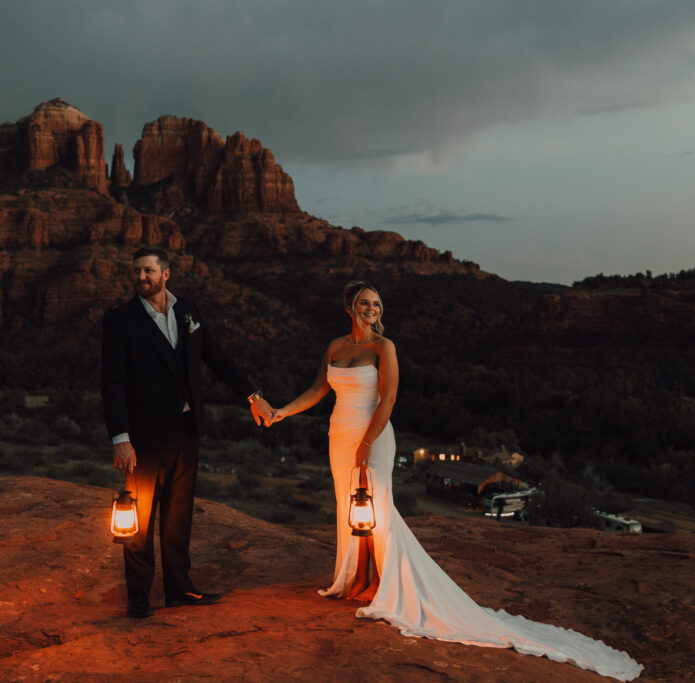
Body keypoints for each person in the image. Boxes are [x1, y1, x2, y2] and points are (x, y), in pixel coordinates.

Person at [270, 281, 642, 681]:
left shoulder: (384, 348)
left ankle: (385, 583)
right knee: (349, 506)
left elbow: (389, 399)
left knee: (377, 505)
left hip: (371, 434)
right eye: (364, 303)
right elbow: (316, 389)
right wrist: (279, 413)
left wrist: (367, 442)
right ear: (349, 307)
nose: (371, 309)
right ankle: (356, 578)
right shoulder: (335, 347)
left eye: (377, 304)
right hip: (338, 434)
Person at [101, 245, 273, 619]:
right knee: (140, 519)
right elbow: (112, 383)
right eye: (136, 272)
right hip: (144, 437)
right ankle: (139, 596)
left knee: (178, 517)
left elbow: (217, 357)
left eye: (148, 271)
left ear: (166, 274)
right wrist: (121, 438)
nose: (140, 277)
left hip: (187, 429)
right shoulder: (119, 321)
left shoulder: (189, 310)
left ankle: (179, 589)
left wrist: (252, 396)